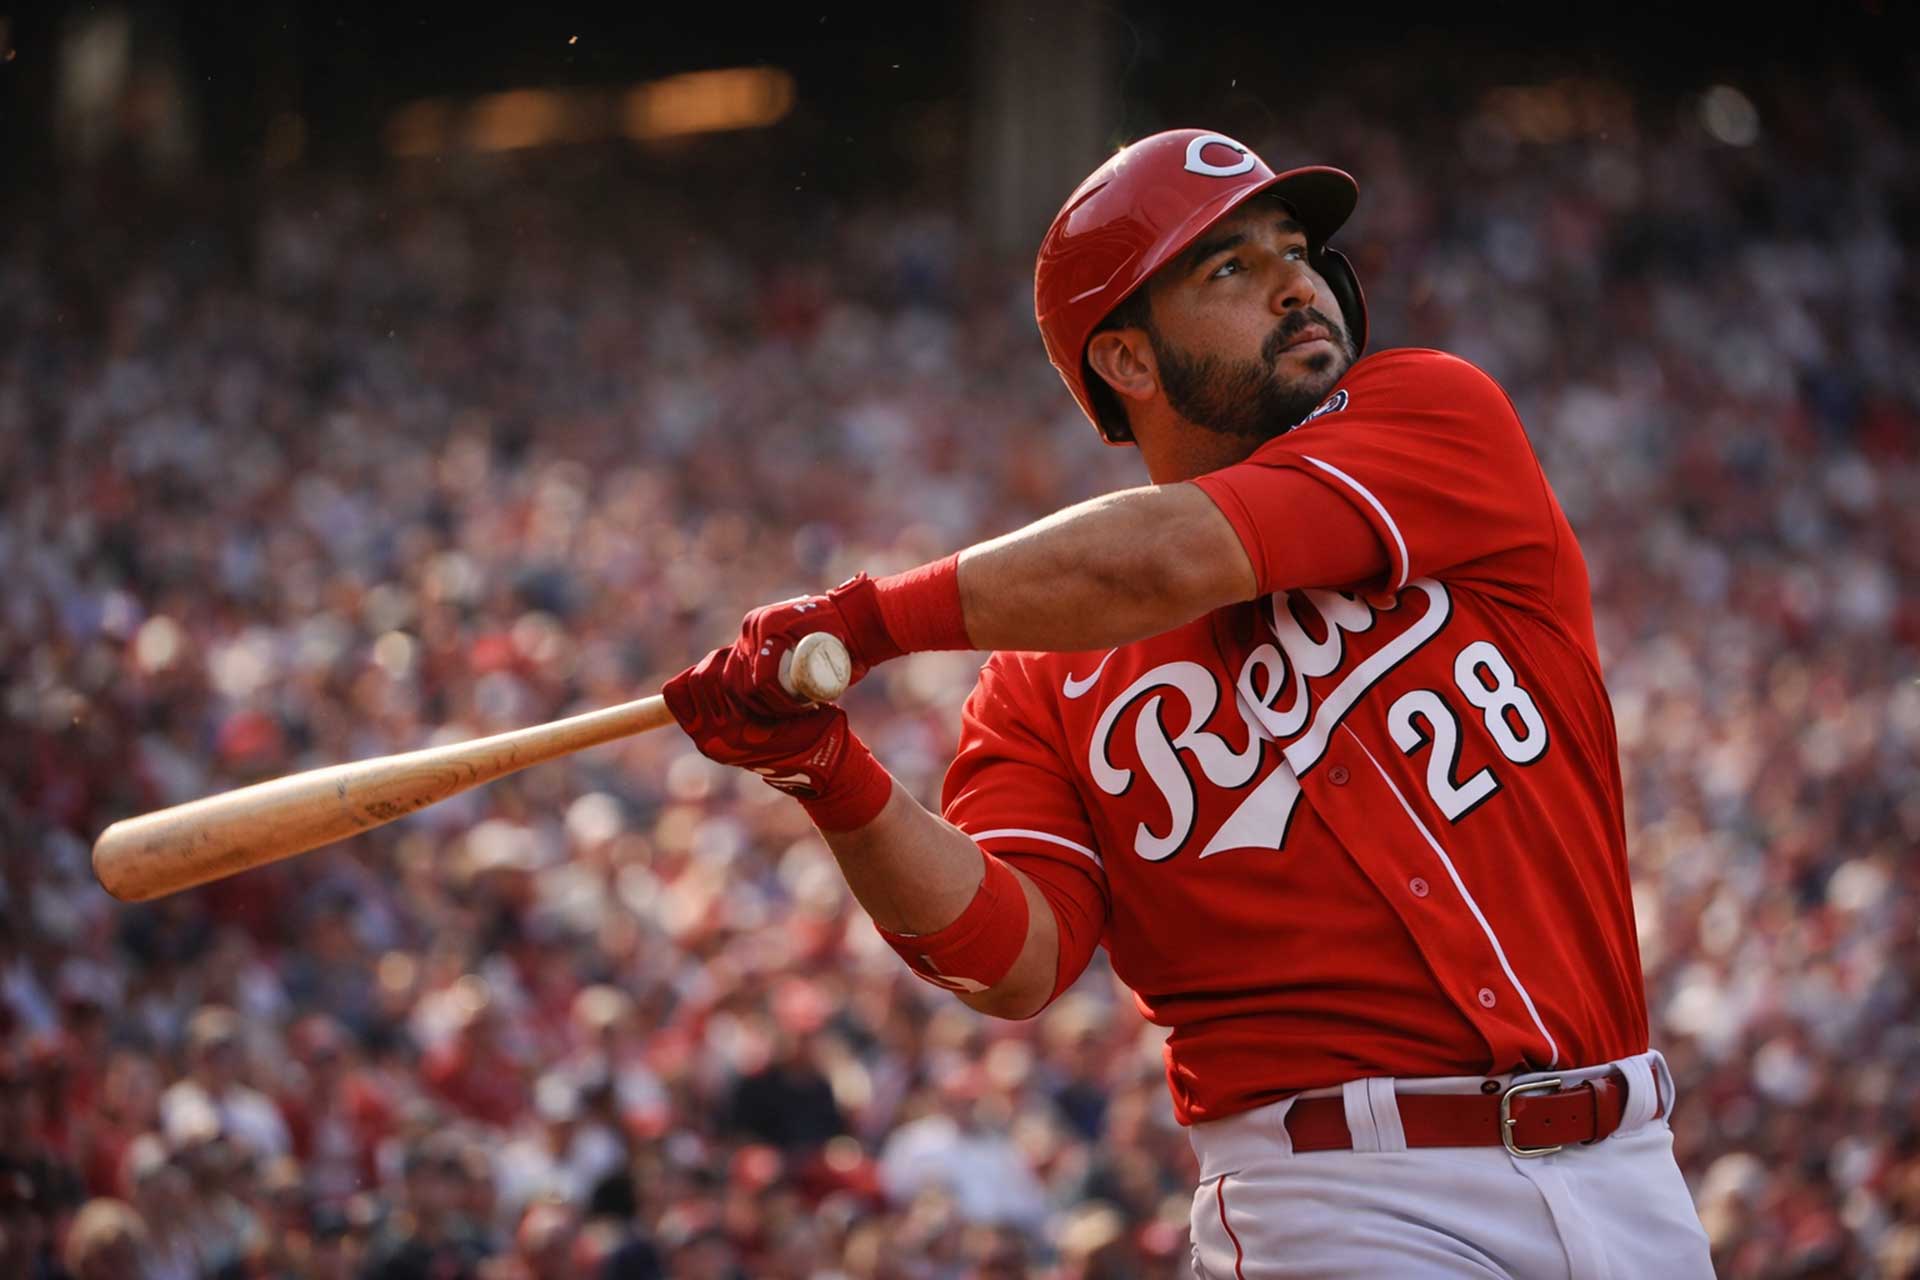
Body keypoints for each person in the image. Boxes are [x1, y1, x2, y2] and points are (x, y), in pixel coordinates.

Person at [662, 129, 1714, 1277]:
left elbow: (1165, 561)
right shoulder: (1039, 675)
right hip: (1335, 1200)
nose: (1295, 280)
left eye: (1294, 248)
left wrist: (862, 621)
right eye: (1229, 268)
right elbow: (1012, 955)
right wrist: (829, 773)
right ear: (1128, 361)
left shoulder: (1435, 413)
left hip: (1631, 1170)